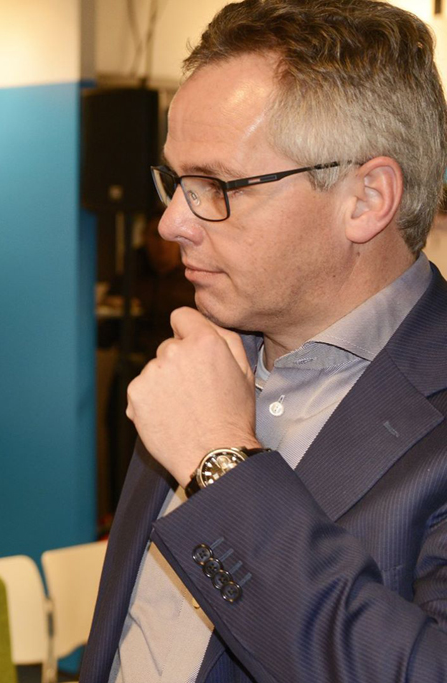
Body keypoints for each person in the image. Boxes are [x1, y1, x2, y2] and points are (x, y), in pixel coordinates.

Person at [81, 1, 447, 681]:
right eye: (176, 182)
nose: (170, 223)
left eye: (216, 185)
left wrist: (218, 463)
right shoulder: (196, 360)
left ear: (367, 199)